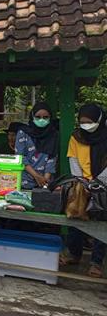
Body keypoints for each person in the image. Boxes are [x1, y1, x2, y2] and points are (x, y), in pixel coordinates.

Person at [60, 104, 107, 278]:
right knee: (75, 216)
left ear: (99, 120)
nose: (86, 125)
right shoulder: (76, 137)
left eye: (90, 122)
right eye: (82, 122)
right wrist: (82, 181)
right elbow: (73, 160)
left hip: (103, 184)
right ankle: (74, 253)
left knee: (100, 222)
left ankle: (96, 261)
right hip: (81, 183)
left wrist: (97, 183)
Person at [15, 103, 59, 189]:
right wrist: (36, 176)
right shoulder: (23, 132)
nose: (41, 120)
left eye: (45, 117)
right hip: (24, 181)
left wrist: (45, 179)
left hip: (45, 183)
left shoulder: (53, 134)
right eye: (38, 117)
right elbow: (20, 157)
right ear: (32, 117)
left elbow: (52, 158)